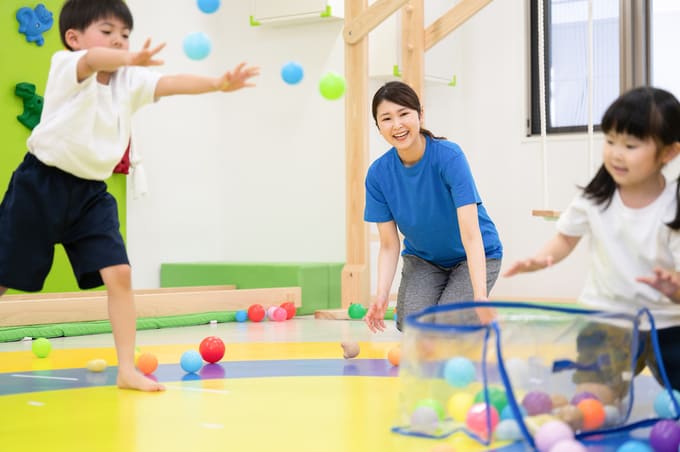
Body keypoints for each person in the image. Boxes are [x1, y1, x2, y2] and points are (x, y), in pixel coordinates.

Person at [0, 0, 259, 392]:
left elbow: (170, 83)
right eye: (107, 32)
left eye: (125, 34)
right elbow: (93, 60)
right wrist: (130, 57)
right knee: (5, 274)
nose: (119, 41)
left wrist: (218, 83)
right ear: (74, 38)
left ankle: (126, 369)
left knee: (120, 274)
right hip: (41, 184)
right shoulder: (67, 66)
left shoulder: (128, 81)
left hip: (91, 193)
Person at [503, 86, 680, 391]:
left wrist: (674, 289)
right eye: (610, 141)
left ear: (668, 153)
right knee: (592, 399)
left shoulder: (673, 205)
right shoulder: (596, 199)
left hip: (666, 323)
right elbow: (565, 239)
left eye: (630, 145)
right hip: (606, 318)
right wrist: (540, 260)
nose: (615, 153)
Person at [363, 81, 503, 333]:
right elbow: (389, 245)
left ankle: (471, 326)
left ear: (420, 114)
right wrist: (381, 295)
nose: (397, 125)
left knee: (446, 326)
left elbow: (471, 235)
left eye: (404, 114)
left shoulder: (449, 156)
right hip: (424, 260)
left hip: (472, 255)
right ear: (378, 126)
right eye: (386, 118)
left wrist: (480, 295)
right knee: (415, 326)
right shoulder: (377, 174)